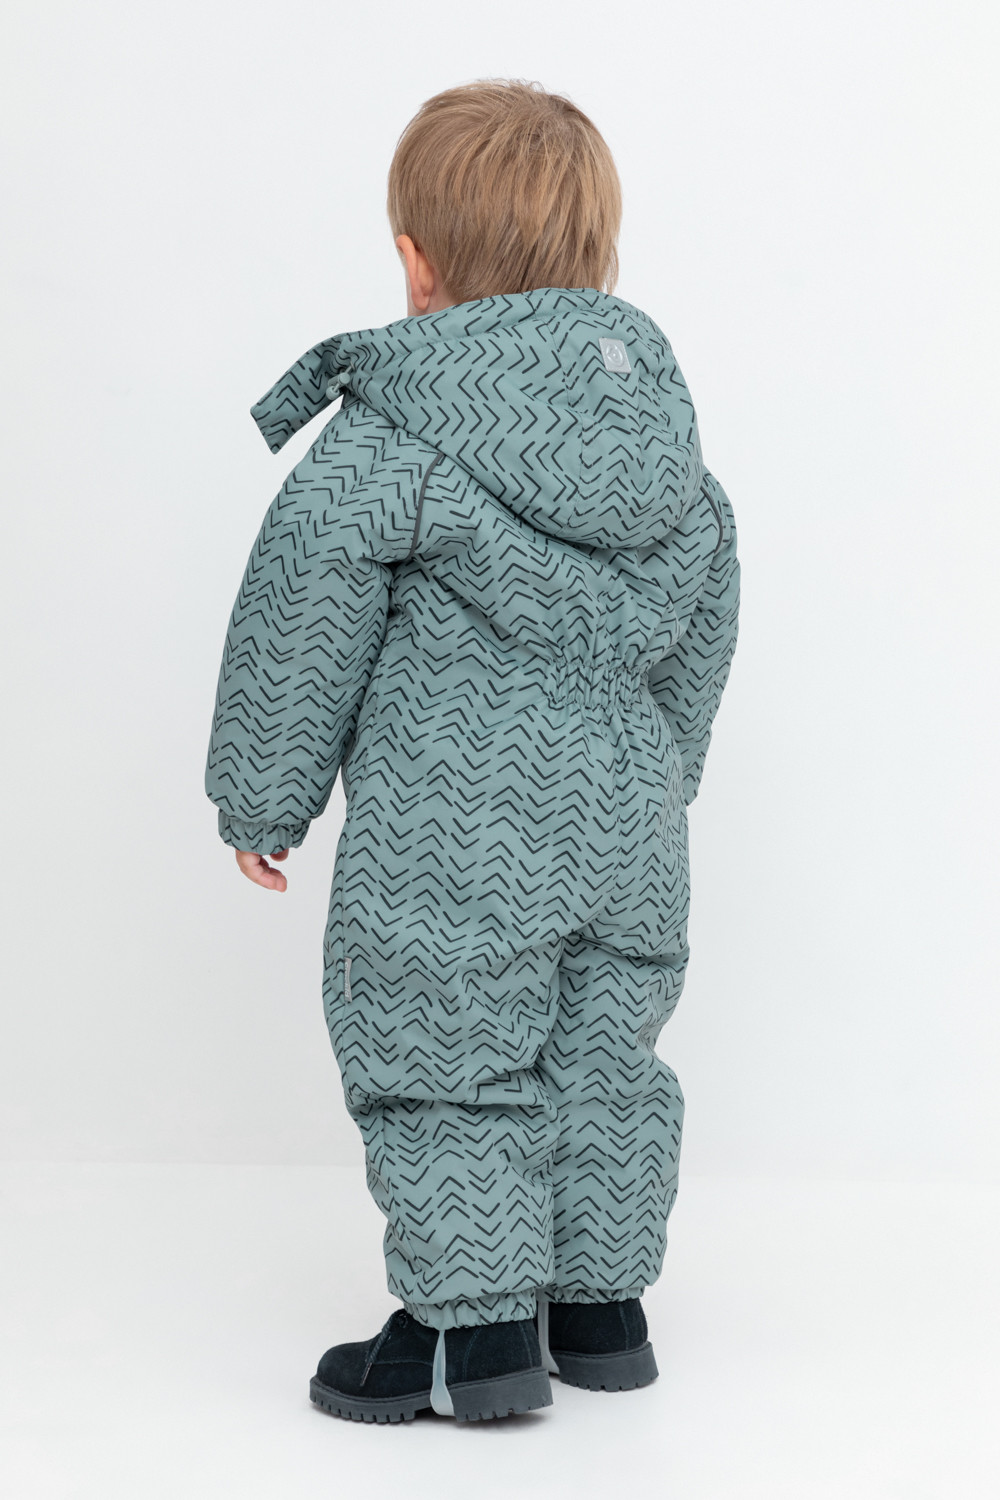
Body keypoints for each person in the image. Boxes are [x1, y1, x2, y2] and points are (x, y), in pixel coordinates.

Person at [205, 77, 740, 1424]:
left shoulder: (391, 439)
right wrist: (664, 779)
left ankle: (475, 1334)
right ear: (598, 258)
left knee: (444, 1049)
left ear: (416, 263)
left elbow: (303, 607)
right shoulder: (674, 463)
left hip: (457, 832)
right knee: (606, 1055)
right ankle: (601, 1311)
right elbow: (703, 632)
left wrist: (263, 792)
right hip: (631, 831)